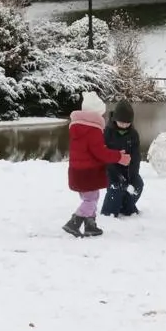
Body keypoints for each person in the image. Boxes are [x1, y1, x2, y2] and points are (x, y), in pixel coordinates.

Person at [65, 91, 131, 237]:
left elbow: (91, 150)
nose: (102, 117)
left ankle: (90, 225)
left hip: (77, 171)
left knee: (90, 198)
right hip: (88, 172)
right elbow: (100, 153)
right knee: (91, 199)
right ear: (95, 113)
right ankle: (74, 222)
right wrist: (119, 157)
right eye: (101, 114)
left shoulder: (78, 128)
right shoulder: (93, 129)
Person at [100, 101, 143, 217]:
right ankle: (109, 212)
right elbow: (103, 154)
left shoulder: (133, 134)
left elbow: (136, 157)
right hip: (111, 169)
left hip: (127, 169)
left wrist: (133, 175)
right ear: (115, 119)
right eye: (121, 122)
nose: (124, 125)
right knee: (117, 186)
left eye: (127, 123)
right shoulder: (107, 133)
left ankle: (127, 208)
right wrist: (116, 174)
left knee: (138, 184)